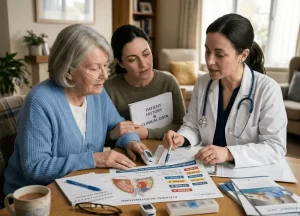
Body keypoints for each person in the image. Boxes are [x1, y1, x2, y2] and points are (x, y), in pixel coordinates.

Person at [4, 24, 148, 195]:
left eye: (105, 66)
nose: (104, 75)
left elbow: (118, 124)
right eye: (95, 68)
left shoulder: (96, 92)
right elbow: (35, 168)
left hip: (78, 186)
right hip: (33, 198)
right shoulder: (39, 101)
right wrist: (95, 159)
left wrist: (131, 141)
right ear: (69, 71)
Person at [163, 13, 287, 168]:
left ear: (243, 55)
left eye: (220, 54)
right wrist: (181, 137)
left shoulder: (268, 90)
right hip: (209, 170)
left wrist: (228, 153)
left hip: (248, 173)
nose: (209, 61)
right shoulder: (203, 83)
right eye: (207, 51)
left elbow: (275, 147)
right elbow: (193, 126)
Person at [104, 25, 185, 140]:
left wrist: (148, 133)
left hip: (167, 151)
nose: (143, 64)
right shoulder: (109, 89)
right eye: (132, 59)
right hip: (125, 154)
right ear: (120, 63)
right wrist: (114, 134)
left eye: (146, 54)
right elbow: (97, 137)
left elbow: (183, 126)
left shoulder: (168, 82)